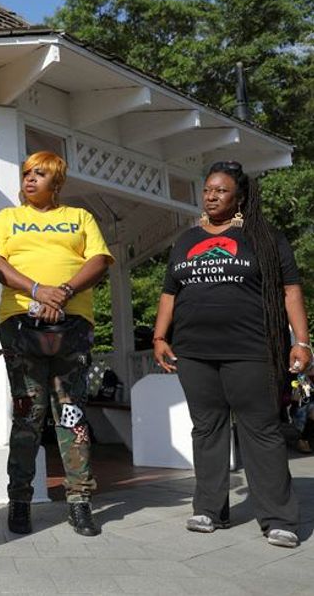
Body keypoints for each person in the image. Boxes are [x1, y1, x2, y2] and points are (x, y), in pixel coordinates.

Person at [152, 160, 311, 548]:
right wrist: (159, 337)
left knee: (262, 429)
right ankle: (209, 509)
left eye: (220, 190)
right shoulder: (187, 240)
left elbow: (290, 290)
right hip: (194, 352)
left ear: (239, 197)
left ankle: (278, 518)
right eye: (207, 189)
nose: (211, 196)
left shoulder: (264, 237)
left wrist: (302, 341)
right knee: (206, 428)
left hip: (252, 349)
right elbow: (170, 292)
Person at [0, 150, 112, 537]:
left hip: (73, 323)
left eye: (39, 174)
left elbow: (100, 260)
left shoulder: (79, 217)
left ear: (57, 181)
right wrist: (38, 292)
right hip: (21, 323)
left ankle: (80, 500)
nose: (29, 180)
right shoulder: (9, 218)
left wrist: (64, 292)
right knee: (28, 414)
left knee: (71, 414)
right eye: (25, 174)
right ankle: (19, 500)